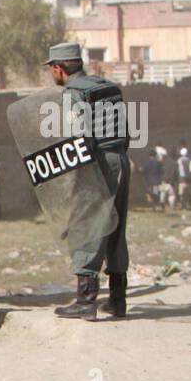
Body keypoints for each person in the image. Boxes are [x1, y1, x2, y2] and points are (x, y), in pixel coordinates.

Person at [46, 42, 132, 320]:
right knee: (116, 227)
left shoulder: (74, 93)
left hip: (96, 164)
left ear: (59, 69)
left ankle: (86, 300)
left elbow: (78, 138)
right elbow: (126, 131)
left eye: (51, 69)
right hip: (119, 159)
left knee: (88, 226)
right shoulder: (108, 87)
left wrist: (74, 177)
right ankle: (117, 300)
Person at [175, 142, 191, 209]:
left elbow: (177, 170)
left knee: (181, 193)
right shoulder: (190, 161)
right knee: (189, 193)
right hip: (188, 179)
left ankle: (183, 205)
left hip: (181, 179)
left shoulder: (178, 160)